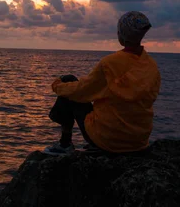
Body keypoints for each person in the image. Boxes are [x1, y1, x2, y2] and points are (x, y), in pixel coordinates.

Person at [44, 11, 161, 155]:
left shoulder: (110, 63)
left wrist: (57, 86)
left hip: (108, 139)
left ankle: (65, 143)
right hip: (138, 141)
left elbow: (82, 90)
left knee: (69, 82)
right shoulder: (151, 65)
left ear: (121, 35)